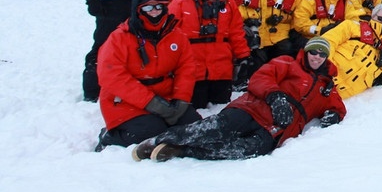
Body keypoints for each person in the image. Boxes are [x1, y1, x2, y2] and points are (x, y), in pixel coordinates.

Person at [133, 37, 345, 162]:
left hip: (276, 129)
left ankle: (180, 151)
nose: (316, 57)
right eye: (313, 52)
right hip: (253, 108)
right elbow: (261, 77)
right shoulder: (288, 63)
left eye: (321, 54)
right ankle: (157, 141)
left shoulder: (326, 86)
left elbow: (338, 106)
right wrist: (275, 96)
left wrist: (334, 115)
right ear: (306, 52)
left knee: (242, 150)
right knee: (215, 129)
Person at [96, 0, 201, 149]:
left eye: (159, 6)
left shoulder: (176, 35)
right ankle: (110, 137)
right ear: (138, 9)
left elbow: (186, 68)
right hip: (126, 102)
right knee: (151, 131)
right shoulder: (119, 38)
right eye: (148, 7)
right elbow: (111, 76)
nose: (155, 11)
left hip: (166, 98)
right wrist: (150, 102)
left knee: (194, 127)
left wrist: (181, 99)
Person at [170, 0, 252, 108]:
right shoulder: (180, 4)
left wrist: (243, 57)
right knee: (196, 110)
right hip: (193, 70)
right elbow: (169, 36)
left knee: (220, 110)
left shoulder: (228, 4)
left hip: (221, 70)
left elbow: (236, 33)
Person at [324, 4, 382, 97]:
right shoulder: (351, 26)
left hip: (345, 92)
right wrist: (325, 64)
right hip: (324, 74)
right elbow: (328, 40)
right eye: (380, 18)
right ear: (373, 16)